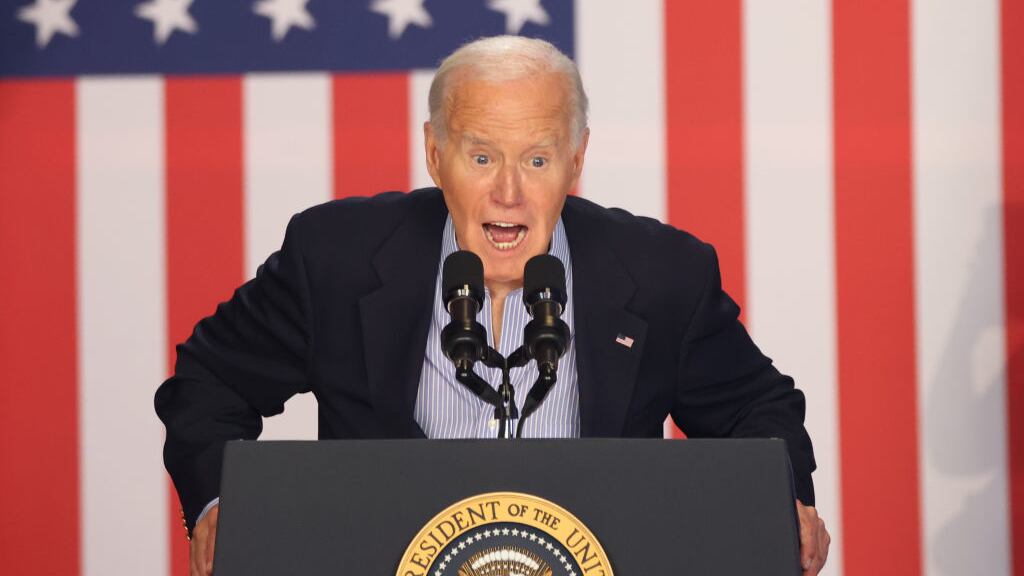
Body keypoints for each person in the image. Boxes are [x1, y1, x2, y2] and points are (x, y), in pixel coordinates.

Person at [156, 35, 830, 576]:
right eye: (482, 158)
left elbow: (757, 409)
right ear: (434, 153)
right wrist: (217, 503)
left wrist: (785, 500)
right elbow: (211, 381)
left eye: (536, 160)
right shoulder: (335, 258)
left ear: (576, 160)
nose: (509, 193)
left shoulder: (661, 274)